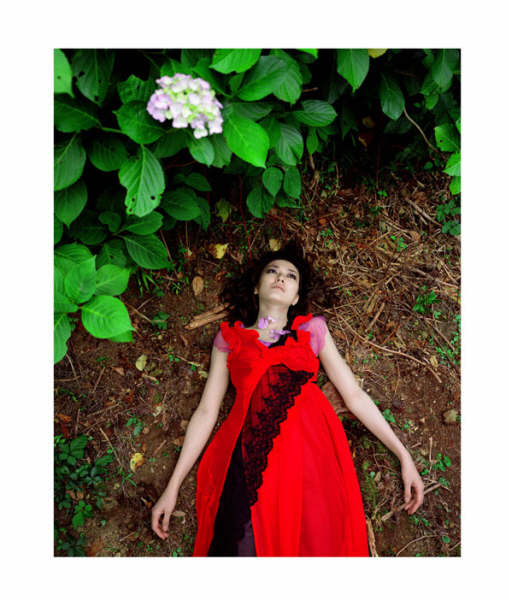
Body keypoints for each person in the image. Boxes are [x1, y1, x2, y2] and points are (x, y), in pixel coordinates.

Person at [151, 240, 424, 556]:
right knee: (239, 544)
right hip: (252, 454)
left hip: (310, 456)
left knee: (316, 544)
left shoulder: (312, 330)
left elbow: (354, 395)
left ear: (295, 297)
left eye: (291, 275)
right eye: (272, 271)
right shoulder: (229, 339)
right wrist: (172, 488)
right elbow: (206, 411)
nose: (281, 277)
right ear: (257, 287)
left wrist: (403, 456)